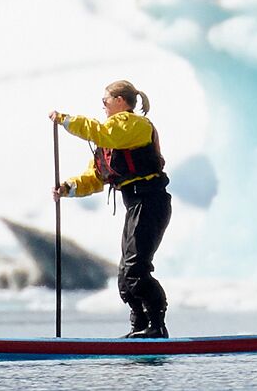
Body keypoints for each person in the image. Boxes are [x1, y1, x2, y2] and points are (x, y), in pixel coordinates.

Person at [56, 80, 172, 339]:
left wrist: (65, 120)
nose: (103, 106)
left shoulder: (134, 126)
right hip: (136, 206)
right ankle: (140, 326)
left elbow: (102, 132)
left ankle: (157, 326)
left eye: (105, 101)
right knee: (124, 276)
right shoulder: (108, 138)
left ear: (120, 101)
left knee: (136, 269)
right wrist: (67, 188)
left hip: (151, 201)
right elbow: (95, 177)